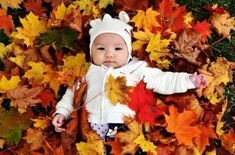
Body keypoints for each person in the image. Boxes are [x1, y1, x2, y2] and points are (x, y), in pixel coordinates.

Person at [52, 11, 206, 140]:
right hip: (90, 128)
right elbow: (72, 94)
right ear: (91, 53)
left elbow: (163, 80)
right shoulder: (89, 71)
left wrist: (188, 80)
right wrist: (62, 112)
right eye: (100, 48)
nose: (109, 54)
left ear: (129, 52)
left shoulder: (138, 68)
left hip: (125, 127)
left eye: (118, 48)